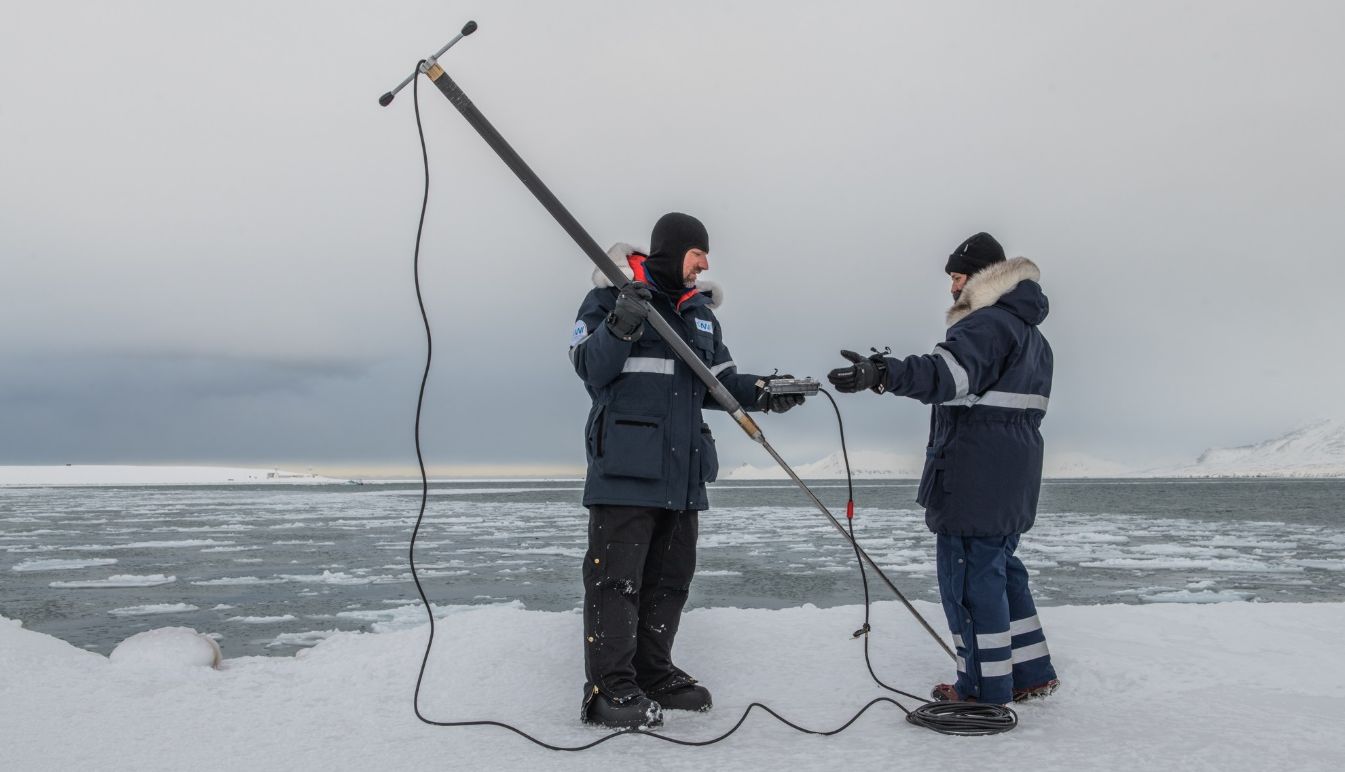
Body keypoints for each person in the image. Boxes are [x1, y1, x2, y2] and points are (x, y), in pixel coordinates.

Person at [568, 212, 807, 729]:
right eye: (698, 253)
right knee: (617, 583)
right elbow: (589, 367)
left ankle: (652, 672)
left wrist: (767, 393)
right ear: (675, 250)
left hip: (683, 471)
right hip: (626, 470)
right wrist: (622, 323)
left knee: (670, 581)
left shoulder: (699, 314)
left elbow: (720, 384)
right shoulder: (610, 298)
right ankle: (609, 687)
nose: (705, 264)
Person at [826, 232, 1060, 705]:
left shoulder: (987, 324)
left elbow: (945, 376)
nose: (953, 289)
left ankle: (981, 689)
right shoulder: (1031, 334)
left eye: (957, 278)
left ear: (980, 277)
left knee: (971, 584)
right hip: (1011, 478)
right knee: (1000, 572)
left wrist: (882, 373)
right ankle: (1031, 670)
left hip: (975, 478)